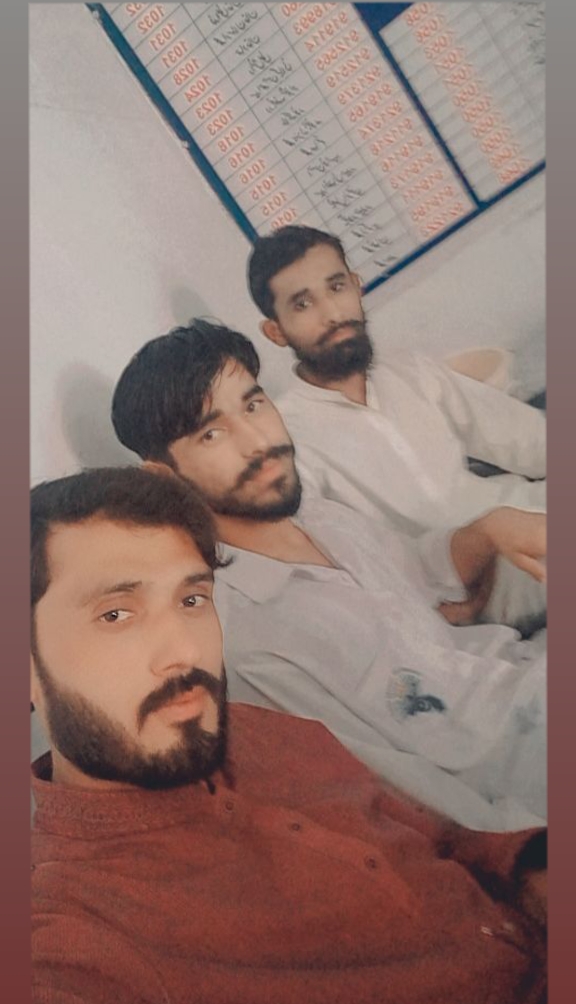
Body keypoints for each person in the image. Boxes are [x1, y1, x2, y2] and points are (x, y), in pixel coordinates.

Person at [31, 466, 547, 1004]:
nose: (184, 650)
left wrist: (530, 869)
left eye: (192, 600)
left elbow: (436, 833)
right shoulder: (78, 932)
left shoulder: (254, 727)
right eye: (116, 614)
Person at [111, 323, 546, 831]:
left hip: (525, 678)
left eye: (253, 405)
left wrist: (488, 528)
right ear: (164, 478)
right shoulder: (245, 640)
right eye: (212, 433)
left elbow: (421, 575)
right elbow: (404, 802)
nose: (258, 442)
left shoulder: (317, 515)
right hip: (524, 776)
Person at [247, 225, 546, 631]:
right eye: (303, 304)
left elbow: (527, 439)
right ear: (276, 331)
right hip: (480, 581)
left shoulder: (411, 372)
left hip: (528, 514)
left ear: (356, 286)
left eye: (336, 287)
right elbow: (364, 572)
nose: (332, 313)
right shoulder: (288, 443)